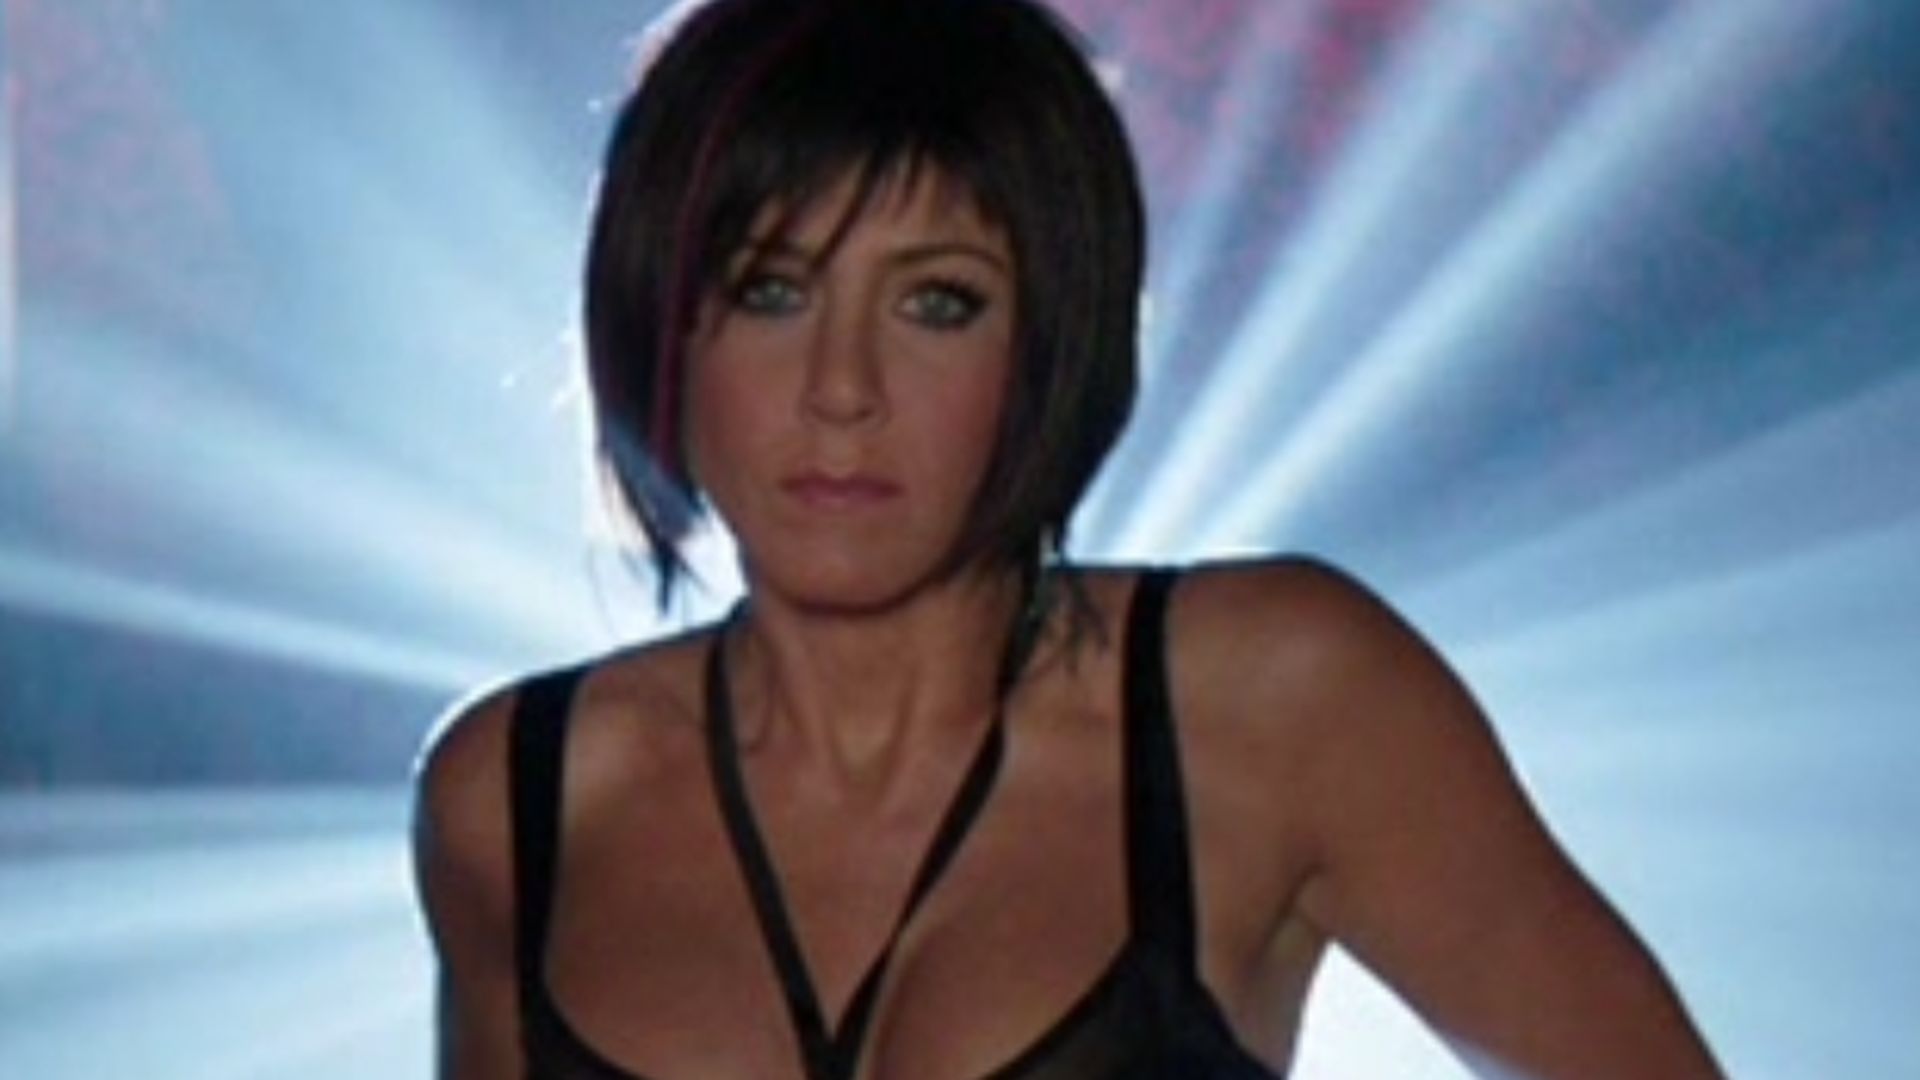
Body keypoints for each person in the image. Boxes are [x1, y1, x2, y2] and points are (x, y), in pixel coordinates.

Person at [413, 0, 1725, 1077]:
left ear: (1052, 340)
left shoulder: (1278, 702)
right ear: (657, 321)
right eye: (771, 289)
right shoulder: (514, 804)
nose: (842, 388)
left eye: (938, 302)